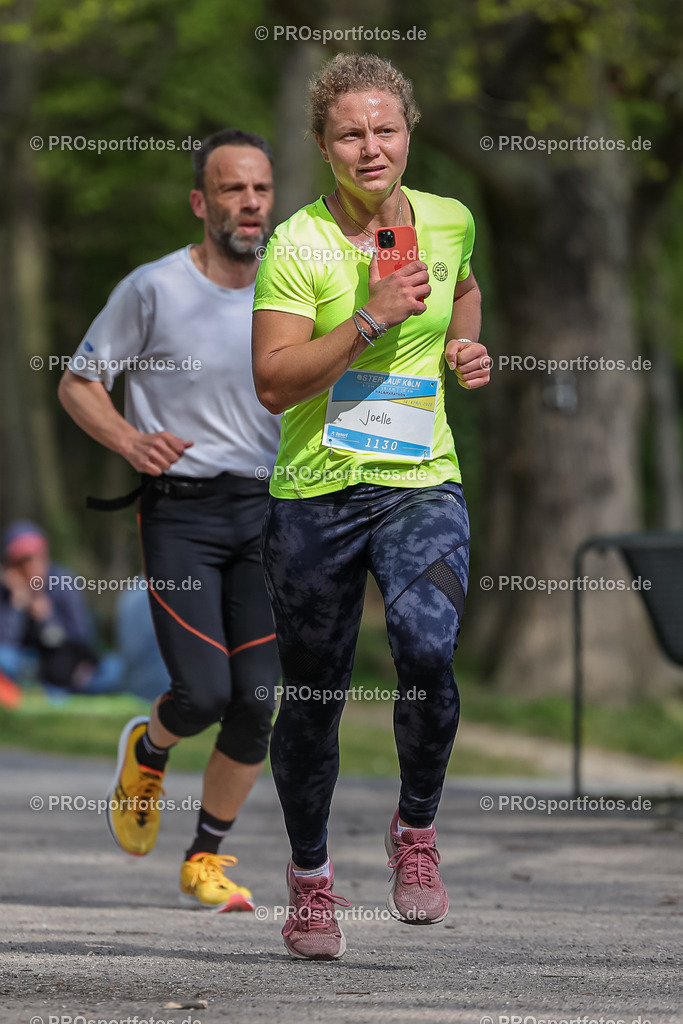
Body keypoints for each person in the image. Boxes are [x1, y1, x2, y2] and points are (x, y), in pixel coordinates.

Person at [252, 53, 491, 959]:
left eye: (384, 129)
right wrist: (368, 320)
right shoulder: (297, 246)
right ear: (323, 144)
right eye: (349, 133)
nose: (370, 147)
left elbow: (462, 291)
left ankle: (416, 831)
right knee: (313, 697)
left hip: (420, 480)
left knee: (427, 646)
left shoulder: (448, 219)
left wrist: (465, 350)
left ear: (408, 131)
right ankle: (311, 884)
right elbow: (273, 385)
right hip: (315, 493)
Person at [59, 129, 281, 911]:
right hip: (181, 514)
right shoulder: (153, 288)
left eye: (259, 189)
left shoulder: (292, 287)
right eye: (231, 190)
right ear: (201, 202)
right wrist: (128, 439)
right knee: (205, 693)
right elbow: (79, 382)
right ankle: (150, 746)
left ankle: (204, 859)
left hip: (265, 513)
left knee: (258, 699)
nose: (248, 203)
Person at [0, 520, 121, 702]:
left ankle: (59, 688)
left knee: (114, 668)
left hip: (66, 663)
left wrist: (46, 618)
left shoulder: (64, 581)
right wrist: (17, 604)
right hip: (25, 663)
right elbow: (6, 644)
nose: (31, 567)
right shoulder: (6, 589)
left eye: (35, 557)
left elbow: (80, 637)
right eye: (22, 561)